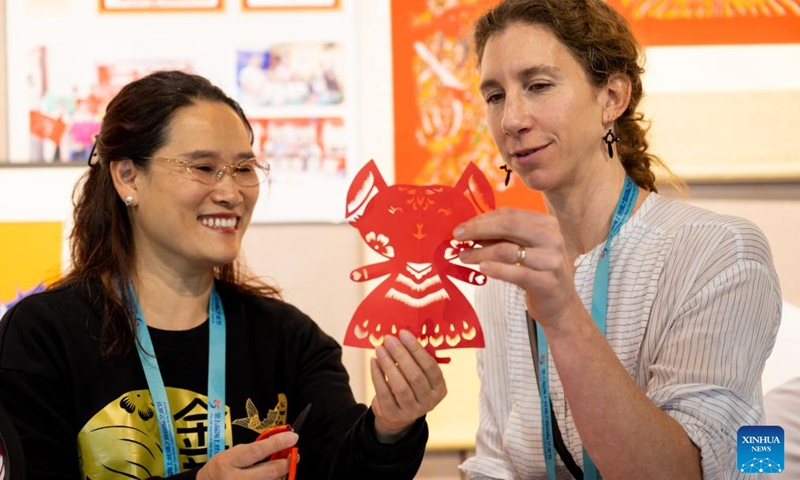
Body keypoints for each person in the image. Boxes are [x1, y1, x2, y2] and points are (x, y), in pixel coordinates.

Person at [0, 70, 447, 479]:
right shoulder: (43, 335)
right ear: (128, 177)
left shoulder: (288, 339)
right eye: (203, 168)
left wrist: (389, 426)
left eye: (244, 169)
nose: (231, 192)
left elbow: (340, 469)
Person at [452, 1, 782, 479]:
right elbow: (498, 461)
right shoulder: (507, 273)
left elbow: (685, 472)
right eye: (495, 96)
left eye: (538, 85)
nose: (511, 120)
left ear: (612, 97)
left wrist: (563, 316)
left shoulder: (720, 253)